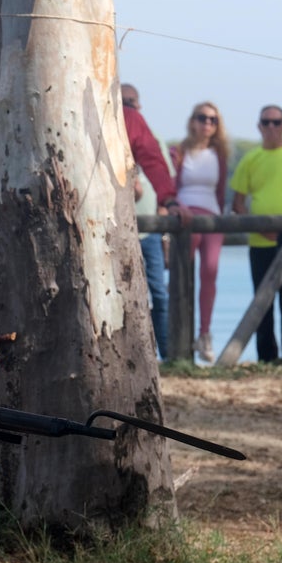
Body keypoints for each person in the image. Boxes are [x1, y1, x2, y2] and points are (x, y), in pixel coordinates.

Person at [229, 105, 282, 362]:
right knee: (263, 305)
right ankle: (266, 359)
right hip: (260, 243)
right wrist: (260, 228)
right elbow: (238, 203)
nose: (271, 127)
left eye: (276, 122)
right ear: (258, 126)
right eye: (266, 122)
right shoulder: (250, 159)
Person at [121, 84, 182, 360]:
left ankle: (166, 354)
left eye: (131, 101)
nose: (127, 106)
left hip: (147, 228)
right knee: (125, 294)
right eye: (122, 100)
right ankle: (136, 354)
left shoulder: (139, 125)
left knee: (158, 291)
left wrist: (168, 201)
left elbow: (157, 165)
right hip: (113, 228)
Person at [172, 101, 229, 363]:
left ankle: (204, 333)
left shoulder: (220, 153)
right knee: (183, 273)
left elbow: (221, 190)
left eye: (212, 119)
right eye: (202, 118)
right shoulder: (180, 151)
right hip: (186, 214)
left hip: (212, 215)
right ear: (192, 120)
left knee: (210, 270)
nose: (207, 123)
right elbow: (172, 185)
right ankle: (178, 332)